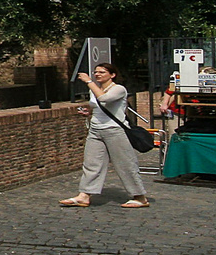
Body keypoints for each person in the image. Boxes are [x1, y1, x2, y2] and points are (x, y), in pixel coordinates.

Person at [60, 63, 149, 208]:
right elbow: (98, 107)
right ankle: (84, 195)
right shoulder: (95, 90)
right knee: (91, 163)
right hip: (96, 129)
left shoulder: (119, 89)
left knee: (125, 164)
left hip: (115, 130)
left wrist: (89, 81)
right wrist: (88, 113)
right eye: (96, 72)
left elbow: (104, 99)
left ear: (112, 75)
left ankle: (139, 196)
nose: (97, 74)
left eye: (102, 72)